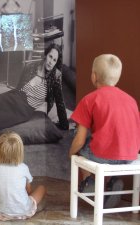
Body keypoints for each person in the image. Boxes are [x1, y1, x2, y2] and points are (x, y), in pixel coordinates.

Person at [68, 54, 140, 208]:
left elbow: (79, 140)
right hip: (130, 156)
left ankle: (89, 182)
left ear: (94, 76)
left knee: (80, 144)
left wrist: (71, 154)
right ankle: (112, 182)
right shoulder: (131, 101)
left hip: (104, 156)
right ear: (117, 78)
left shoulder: (89, 99)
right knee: (113, 142)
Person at [0, 132, 46, 221]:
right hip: (23, 211)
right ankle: (34, 207)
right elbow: (28, 191)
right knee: (42, 188)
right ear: (20, 151)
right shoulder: (24, 168)